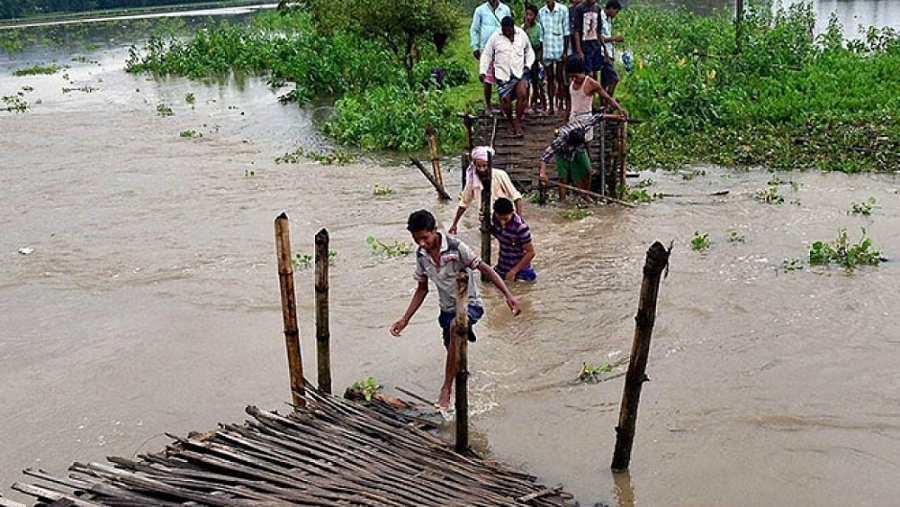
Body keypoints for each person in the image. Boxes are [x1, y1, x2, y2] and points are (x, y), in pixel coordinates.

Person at [390, 210, 521, 411]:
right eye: (417, 240)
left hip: (471, 305)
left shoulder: (456, 248)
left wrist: (508, 295)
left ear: (434, 230)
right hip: (447, 309)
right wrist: (405, 319)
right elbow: (422, 289)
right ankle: (461, 370)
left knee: (455, 329)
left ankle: (446, 390)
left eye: (424, 238)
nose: (422, 243)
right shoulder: (422, 255)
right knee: (452, 347)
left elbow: (484, 268)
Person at [448, 146, 523, 235]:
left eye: (484, 166)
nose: (482, 169)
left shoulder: (500, 175)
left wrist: (519, 221)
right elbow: (464, 203)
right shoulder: (472, 181)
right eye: (478, 166)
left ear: (490, 165)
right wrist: (454, 224)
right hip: (486, 221)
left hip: (505, 218)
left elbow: (516, 197)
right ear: (474, 165)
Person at [480, 16, 535, 137]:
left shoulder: (521, 34)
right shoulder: (495, 37)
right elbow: (486, 55)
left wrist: (528, 65)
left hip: (519, 72)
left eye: (509, 30)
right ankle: (510, 121)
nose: (507, 32)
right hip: (502, 73)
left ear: (512, 27)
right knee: (506, 100)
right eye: (505, 30)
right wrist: (482, 71)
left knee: (523, 94)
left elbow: (529, 51)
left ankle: (518, 122)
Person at [565, 57, 627, 158]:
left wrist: (620, 109)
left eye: (575, 76)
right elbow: (570, 100)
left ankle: (588, 167)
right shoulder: (572, 83)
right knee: (572, 144)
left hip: (586, 117)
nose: (574, 79)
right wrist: (566, 116)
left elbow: (607, 98)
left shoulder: (591, 84)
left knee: (586, 144)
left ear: (581, 72)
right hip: (573, 117)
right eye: (571, 77)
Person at [538, 112, 607, 201]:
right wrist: (542, 173)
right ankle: (562, 200)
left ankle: (585, 195)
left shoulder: (583, 126)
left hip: (579, 151)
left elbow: (598, 117)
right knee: (563, 179)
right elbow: (545, 156)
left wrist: (617, 117)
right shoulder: (561, 140)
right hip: (563, 154)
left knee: (588, 171)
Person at [470, 0, 512, 117]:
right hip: (487, 49)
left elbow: (510, 26)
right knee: (487, 79)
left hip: (502, 48)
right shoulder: (480, 10)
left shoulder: (505, 9)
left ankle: (503, 106)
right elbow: (474, 29)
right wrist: (475, 46)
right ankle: (488, 106)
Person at [491, 197, 537, 282]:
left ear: (512, 212)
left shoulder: (520, 227)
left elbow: (531, 252)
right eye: (500, 218)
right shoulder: (495, 218)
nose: (503, 223)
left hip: (520, 270)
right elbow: (499, 235)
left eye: (505, 219)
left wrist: (513, 271)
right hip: (502, 266)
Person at [538, 0, 569, 116]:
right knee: (550, 78)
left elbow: (566, 32)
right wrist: (541, 52)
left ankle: (561, 104)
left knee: (560, 77)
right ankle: (551, 106)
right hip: (547, 48)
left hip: (559, 48)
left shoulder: (563, 10)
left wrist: (565, 51)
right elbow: (542, 34)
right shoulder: (542, 12)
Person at [572, 0, 603, 81]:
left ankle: (594, 92)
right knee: (589, 73)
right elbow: (576, 31)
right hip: (585, 46)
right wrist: (579, 50)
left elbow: (599, 30)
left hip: (595, 45)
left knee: (595, 71)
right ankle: (587, 92)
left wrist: (604, 48)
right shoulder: (580, 8)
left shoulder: (597, 8)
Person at [523, 4, 546, 113]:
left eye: (531, 15)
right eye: (527, 14)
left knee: (536, 83)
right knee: (526, 83)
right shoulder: (523, 28)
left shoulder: (539, 28)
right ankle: (526, 103)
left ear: (535, 16)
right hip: (525, 61)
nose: (528, 17)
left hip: (536, 60)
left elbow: (539, 45)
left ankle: (537, 103)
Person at [599, 0, 624, 96]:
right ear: (610, 8)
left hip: (608, 52)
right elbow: (599, 37)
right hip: (603, 53)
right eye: (616, 12)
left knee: (604, 81)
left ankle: (603, 105)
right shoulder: (600, 17)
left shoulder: (608, 19)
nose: (616, 14)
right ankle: (607, 102)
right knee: (615, 78)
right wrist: (615, 38)